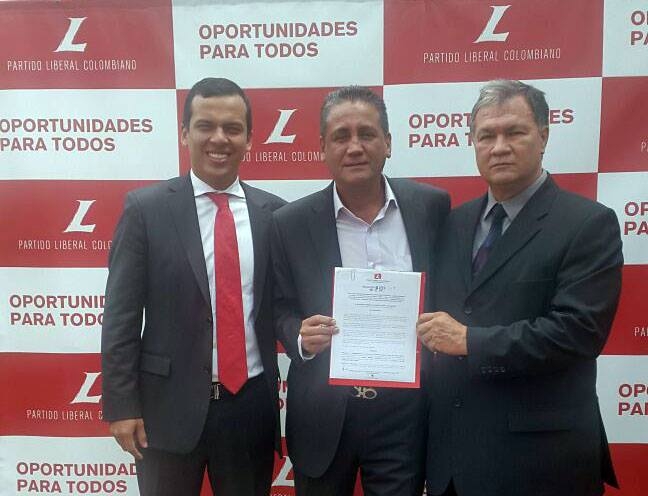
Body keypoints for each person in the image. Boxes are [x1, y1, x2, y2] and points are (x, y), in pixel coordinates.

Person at [417, 79, 622, 496]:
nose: (499, 147)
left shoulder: (588, 224)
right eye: (486, 135)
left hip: (541, 465)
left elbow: (578, 332)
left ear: (543, 137)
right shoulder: (454, 223)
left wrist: (470, 341)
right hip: (452, 465)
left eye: (514, 132)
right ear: (472, 142)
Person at [101, 77, 285, 496]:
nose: (219, 138)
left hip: (249, 410)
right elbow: (120, 316)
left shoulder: (274, 214)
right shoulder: (145, 210)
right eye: (205, 125)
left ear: (249, 139)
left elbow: (285, 308)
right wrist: (121, 405)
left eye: (232, 128)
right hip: (165, 410)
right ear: (185, 133)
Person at [272, 86, 450, 496]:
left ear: (388, 142)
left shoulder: (431, 207)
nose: (354, 147)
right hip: (323, 411)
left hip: (405, 413)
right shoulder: (289, 223)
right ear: (322, 147)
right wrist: (298, 335)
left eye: (366, 134)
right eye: (341, 136)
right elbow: (278, 306)